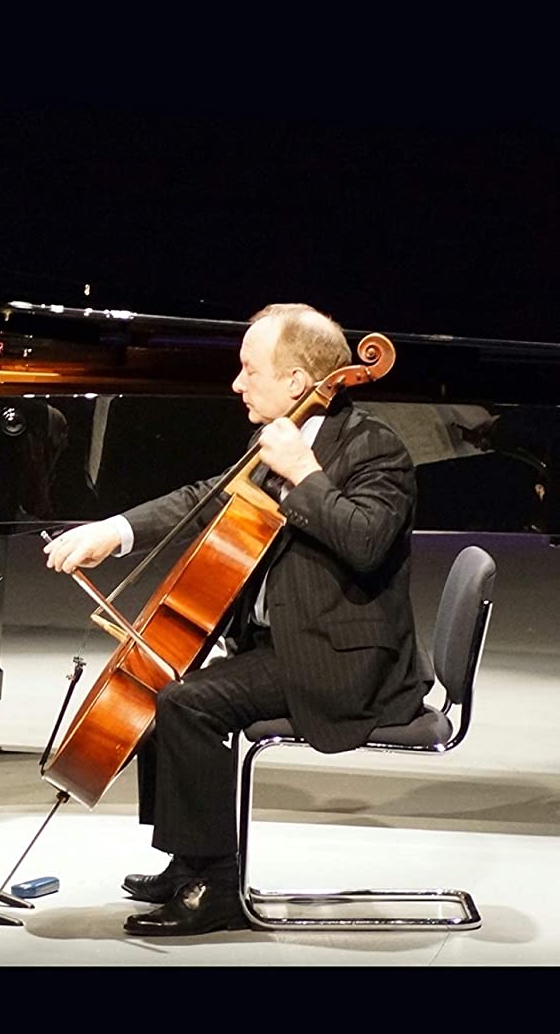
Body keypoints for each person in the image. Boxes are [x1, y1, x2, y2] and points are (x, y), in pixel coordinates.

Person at [44, 303, 427, 937]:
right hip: (282, 645)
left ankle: (216, 886)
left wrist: (302, 473)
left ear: (298, 381)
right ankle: (189, 859)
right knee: (165, 681)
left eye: (251, 370)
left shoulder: (375, 448)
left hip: (342, 659)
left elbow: (365, 541)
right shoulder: (274, 438)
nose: (237, 383)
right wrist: (113, 532)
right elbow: (205, 499)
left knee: (188, 703)